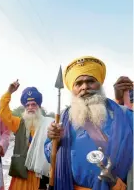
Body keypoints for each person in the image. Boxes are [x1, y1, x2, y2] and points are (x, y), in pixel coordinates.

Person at [44, 56, 133, 190]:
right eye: (78, 83)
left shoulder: (124, 115)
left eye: (90, 81)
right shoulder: (62, 118)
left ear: (100, 84)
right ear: (72, 89)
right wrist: (54, 140)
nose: (85, 87)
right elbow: (49, 156)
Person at [0, 82, 52, 190]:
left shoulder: (48, 124)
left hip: (39, 176)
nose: (30, 108)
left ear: (39, 106)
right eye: (27, 105)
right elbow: (3, 113)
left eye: (33, 104)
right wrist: (9, 92)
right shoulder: (18, 123)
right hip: (21, 174)